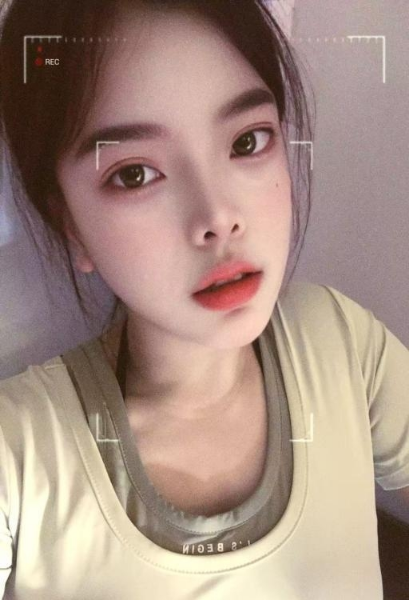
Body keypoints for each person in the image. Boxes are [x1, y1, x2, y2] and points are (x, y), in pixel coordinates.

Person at [0, 1, 408, 598]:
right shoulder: (19, 454)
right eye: (134, 174)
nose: (218, 217)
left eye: (247, 141)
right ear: (71, 227)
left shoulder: (340, 342)